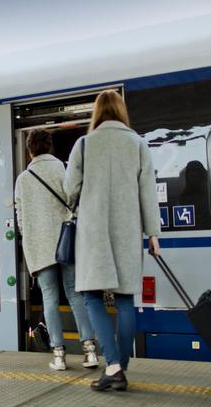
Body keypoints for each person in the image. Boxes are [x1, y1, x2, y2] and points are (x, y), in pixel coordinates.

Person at [64, 90, 161, 391]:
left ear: (96, 113)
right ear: (120, 111)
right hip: (128, 231)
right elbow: (148, 192)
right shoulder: (138, 143)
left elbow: (70, 189)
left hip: (93, 233)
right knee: (125, 299)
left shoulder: (84, 144)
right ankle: (120, 366)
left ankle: (115, 366)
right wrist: (153, 234)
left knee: (91, 296)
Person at [15, 129, 98, 371]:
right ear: (50, 147)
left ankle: (59, 355)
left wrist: (31, 236)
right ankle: (90, 351)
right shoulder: (63, 168)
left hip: (39, 247)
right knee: (74, 295)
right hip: (66, 242)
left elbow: (21, 219)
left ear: (30, 150)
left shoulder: (23, 179)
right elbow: (76, 200)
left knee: (49, 299)